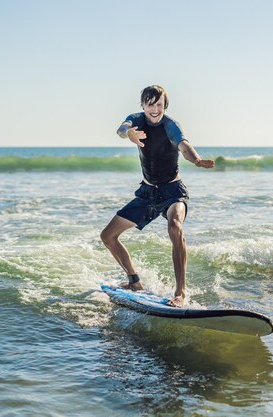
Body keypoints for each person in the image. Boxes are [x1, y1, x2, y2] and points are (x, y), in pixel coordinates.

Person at [100, 85, 215, 308]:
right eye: (150, 104)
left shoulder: (170, 125)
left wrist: (197, 160)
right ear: (143, 105)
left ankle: (180, 292)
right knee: (108, 236)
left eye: (159, 104)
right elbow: (121, 129)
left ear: (165, 105)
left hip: (173, 191)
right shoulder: (137, 120)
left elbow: (184, 145)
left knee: (175, 226)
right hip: (148, 192)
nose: (155, 109)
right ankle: (133, 281)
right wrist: (129, 134)